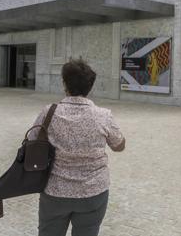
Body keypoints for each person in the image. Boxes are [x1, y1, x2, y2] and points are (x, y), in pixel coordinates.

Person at [30, 59, 125, 236]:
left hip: (55, 191)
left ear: (64, 84)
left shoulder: (49, 112)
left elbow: (31, 139)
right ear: (90, 87)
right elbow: (119, 145)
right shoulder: (104, 116)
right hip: (94, 192)